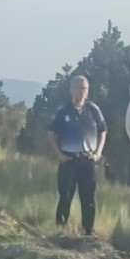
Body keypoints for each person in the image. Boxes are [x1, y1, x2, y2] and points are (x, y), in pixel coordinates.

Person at [47, 75, 107, 236]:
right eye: (78, 88)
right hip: (68, 161)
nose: (81, 92)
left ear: (88, 91)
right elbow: (51, 135)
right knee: (65, 197)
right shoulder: (63, 111)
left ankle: (88, 232)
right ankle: (60, 231)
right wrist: (59, 155)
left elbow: (103, 132)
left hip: (88, 161)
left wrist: (98, 153)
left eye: (84, 88)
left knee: (88, 198)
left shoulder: (94, 110)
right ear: (71, 90)